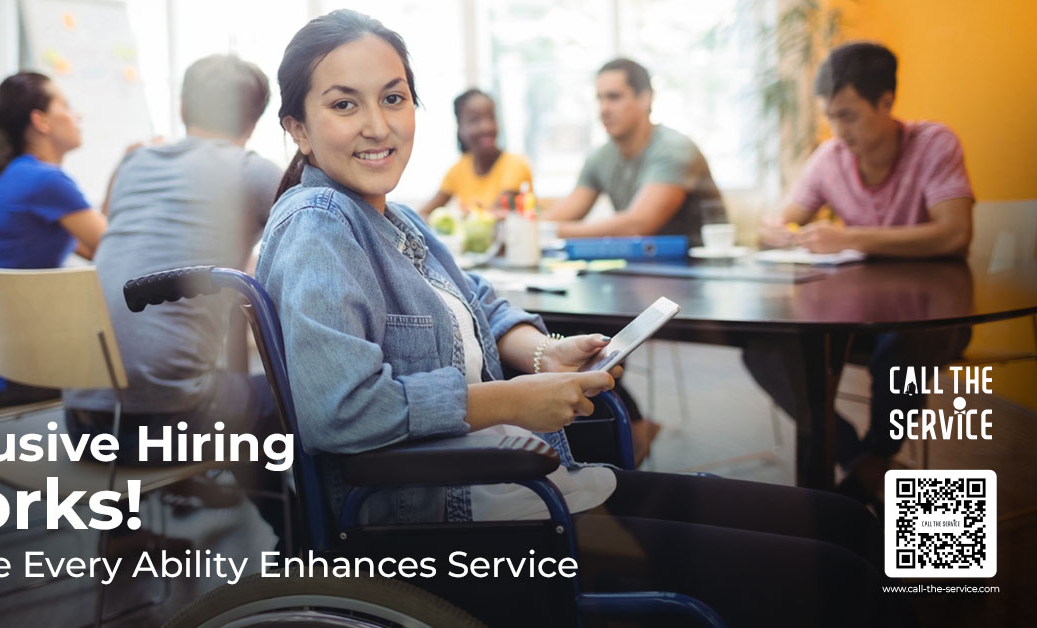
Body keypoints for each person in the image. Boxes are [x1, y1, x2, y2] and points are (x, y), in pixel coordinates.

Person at [256, 11, 905, 627]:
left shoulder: (393, 218)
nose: (378, 125)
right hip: (464, 525)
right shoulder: (320, 225)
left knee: (847, 524)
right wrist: (511, 400)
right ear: (298, 128)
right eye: (345, 104)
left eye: (394, 99)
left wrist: (540, 351)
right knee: (841, 570)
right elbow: (339, 411)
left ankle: (872, 472)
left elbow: (481, 300)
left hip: (531, 488)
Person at [747, 42, 974, 507]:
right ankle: (869, 467)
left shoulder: (934, 143)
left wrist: (853, 238)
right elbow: (781, 223)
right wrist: (777, 231)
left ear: (886, 101)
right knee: (764, 350)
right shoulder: (830, 157)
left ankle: (861, 474)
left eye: (848, 115)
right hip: (858, 315)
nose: (837, 130)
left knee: (900, 351)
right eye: (831, 116)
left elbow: (955, 235)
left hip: (933, 317)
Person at [63, 54, 282, 463]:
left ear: (182, 109)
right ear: (253, 122)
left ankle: (128, 525)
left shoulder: (133, 163)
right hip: (167, 427)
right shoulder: (252, 171)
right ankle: (290, 525)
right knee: (288, 396)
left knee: (202, 380)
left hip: (81, 424)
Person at [0, 71, 106, 407]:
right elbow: (118, 247)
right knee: (139, 364)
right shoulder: (44, 181)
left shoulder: (12, 176)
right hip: (11, 373)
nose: (78, 116)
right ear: (40, 121)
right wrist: (129, 167)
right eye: (67, 106)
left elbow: (92, 247)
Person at [541, 58, 724, 247]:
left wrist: (548, 231)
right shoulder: (600, 157)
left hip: (698, 268)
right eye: (599, 99)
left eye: (614, 97)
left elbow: (637, 225)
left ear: (645, 98)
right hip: (641, 268)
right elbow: (562, 215)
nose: (603, 109)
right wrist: (527, 226)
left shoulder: (675, 149)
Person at [417, 89, 532, 216]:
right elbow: (423, 214)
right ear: (460, 127)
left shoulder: (516, 165)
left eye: (491, 117)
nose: (486, 127)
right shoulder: (458, 169)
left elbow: (492, 218)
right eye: (474, 120)